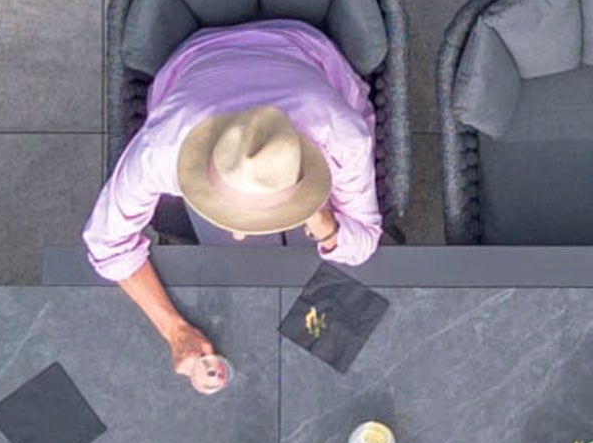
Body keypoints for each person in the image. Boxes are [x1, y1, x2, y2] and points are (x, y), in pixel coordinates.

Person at [83, 21, 382, 384]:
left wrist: (330, 228)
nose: (243, 236)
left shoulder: (342, 137)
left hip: (307, 52)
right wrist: (175, 331)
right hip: (199, 57)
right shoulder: (162, 149)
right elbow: (105, 243)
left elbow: (365, 237)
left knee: (332, 295)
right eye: (233, 218)